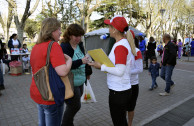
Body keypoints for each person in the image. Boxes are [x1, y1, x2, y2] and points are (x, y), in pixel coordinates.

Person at [89, 15, 132, 126]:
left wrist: (101, 67)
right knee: (121, 121)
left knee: (119, 122)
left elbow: (120, 71)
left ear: (115, 29)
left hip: (118, 92)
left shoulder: (120, 46)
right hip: (121, 89)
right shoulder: (120, 44)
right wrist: (100, 64)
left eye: (110, 26)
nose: (108, 29)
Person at [30, 18, 72, 126]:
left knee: (42, 123)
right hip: (51, 95)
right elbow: (63, 72)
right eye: (59, 29)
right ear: (52, 31)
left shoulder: (36, 47)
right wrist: (70, 61)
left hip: (38, 92)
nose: (60, 32)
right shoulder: (53, 46)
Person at [60, 24, 92, 126]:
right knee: (75, 106)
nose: (78, 38)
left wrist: (88, 72)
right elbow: (64, 67)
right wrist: (80, 61)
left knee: (73, 106)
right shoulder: (64, 47)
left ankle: (68, 122)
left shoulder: (80, 45)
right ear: (69, 35)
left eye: (80, 36)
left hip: (81, 80)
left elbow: (84, 59)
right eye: (76, 36)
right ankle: (66, 124)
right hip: (70, 82)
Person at [128, 35, 143, 126]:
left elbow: (140, 69)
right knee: (122, 107)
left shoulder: (137, 51)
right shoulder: (122, 49)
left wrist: (126, 72)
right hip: (123, 84)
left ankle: (130, 124)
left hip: (133, 84)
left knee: (130, 107)